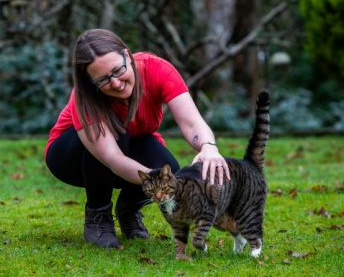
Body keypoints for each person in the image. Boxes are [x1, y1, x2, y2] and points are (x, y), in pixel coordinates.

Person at [44, 29, 230, 249]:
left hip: (128, 141)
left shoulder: (156, 69)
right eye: (103, 79)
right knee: (119, 136)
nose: (115, 83)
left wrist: (208, 147)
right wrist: (150, 178)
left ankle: (128, 209)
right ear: (89, 80)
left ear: (127, 55)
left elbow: (191, 122)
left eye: (118, 70)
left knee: (167, 168)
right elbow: (112, 157)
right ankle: (98, 215)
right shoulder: (84, 96)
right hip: (69, 157)